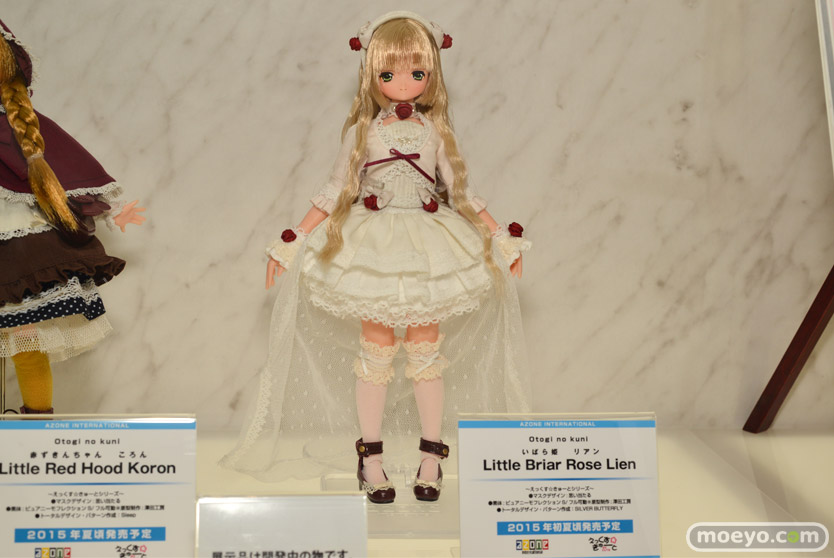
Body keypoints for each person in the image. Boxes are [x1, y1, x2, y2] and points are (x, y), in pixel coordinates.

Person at [222, 11, 531, 503]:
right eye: (389, 74)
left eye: (416, 72)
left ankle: (431, 456)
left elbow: (462, 192)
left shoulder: (436, 131)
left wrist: (500, 235)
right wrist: (293, 239)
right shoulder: (364, 131)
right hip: (373, 242)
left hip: (428, 243)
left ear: (431, 75)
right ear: (372, 74)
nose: (403, 84)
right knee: (376, 350)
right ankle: (371, 458)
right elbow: (333, 190)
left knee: (426, 350)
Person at [0, 19, 145, 414]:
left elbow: (64, 168)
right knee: (24, 345)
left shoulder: (20, 125)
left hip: (19, 249)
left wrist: (111, 210)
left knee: (25, 343)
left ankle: (36, 428)